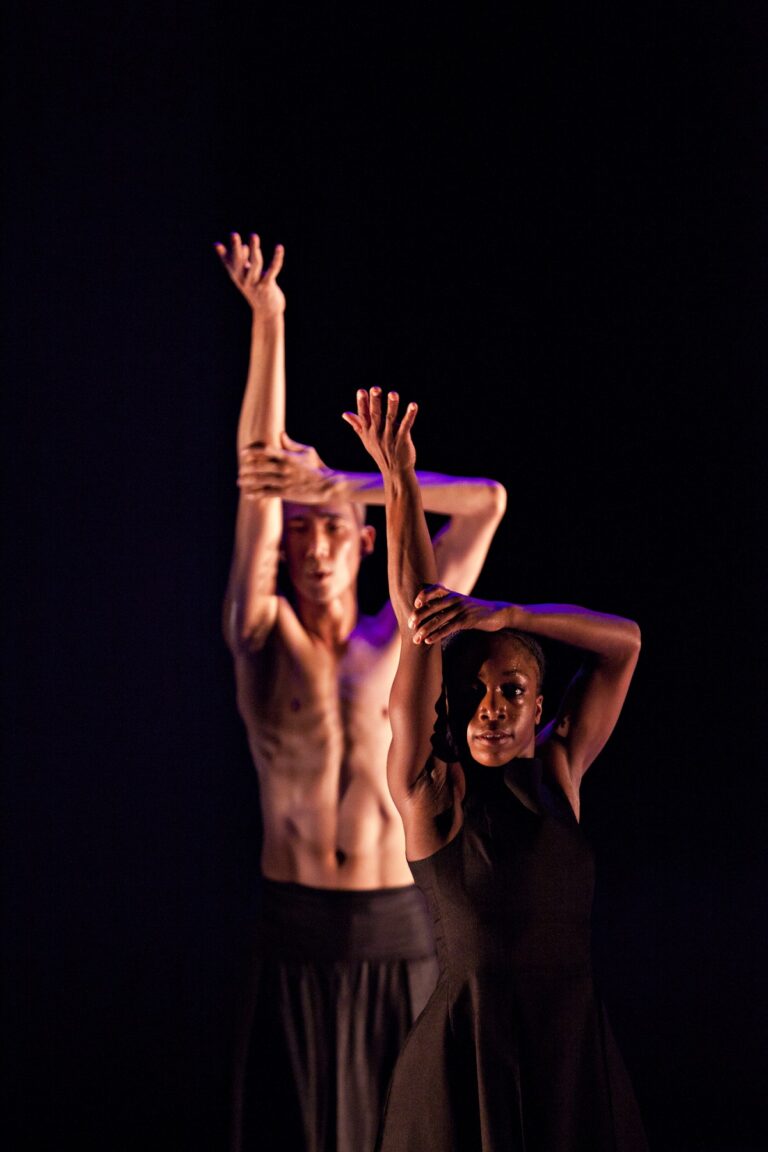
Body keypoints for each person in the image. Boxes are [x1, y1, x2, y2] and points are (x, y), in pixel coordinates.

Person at [214, 234, 507, 1152]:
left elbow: (487, 502)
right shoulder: (265, 640)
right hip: (295, 924)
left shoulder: (399, 636)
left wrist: (339, 481)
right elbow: (258, 473)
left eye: (334, 529)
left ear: (368, 539)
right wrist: (271, 320)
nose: (317, 542)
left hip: (395, 922)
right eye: (299, 531)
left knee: (407, 1133)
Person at [344, 388, 649, 1151]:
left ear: (540, 702)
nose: (488, 708)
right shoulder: (430, 792)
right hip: (464, 1074)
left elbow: (625, 644)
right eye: (475, 692)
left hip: (572, 1062)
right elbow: (418, 617)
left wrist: (506, 615)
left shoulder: (558, 769)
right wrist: (402, 483)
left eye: (510, 691)